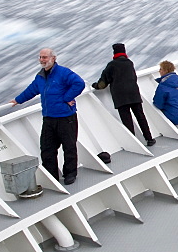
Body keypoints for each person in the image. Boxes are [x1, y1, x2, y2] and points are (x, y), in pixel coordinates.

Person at [10, 48, 85, 185]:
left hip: (65, 117)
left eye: (45, 57)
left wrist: (67, 97)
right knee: (47, 149)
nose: (42, 60)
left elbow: (79, 83)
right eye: (40, 57)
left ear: (53, 58)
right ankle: (52, 177)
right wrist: (17, 100)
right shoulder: (40, 77)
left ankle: (70, 174)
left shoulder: (63, 72)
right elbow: (32, 90)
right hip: (49, 118)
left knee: (69, 147)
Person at [92, 43, 155, 146]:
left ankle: (134, 143)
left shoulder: (111, 65)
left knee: (127, 120)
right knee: (140, 117)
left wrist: (95, 85)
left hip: (121, 97)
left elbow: (102, 84)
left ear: (114, 53)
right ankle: (149, 138)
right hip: (134, 94)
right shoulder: (130, 63)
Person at [153, 60, 178, 134]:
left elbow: (158, 103)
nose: (159, 71)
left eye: (161, 69)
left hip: (176, 114)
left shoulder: (163, 85)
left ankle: (177, 126)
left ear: (165, 71)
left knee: (160, 109)